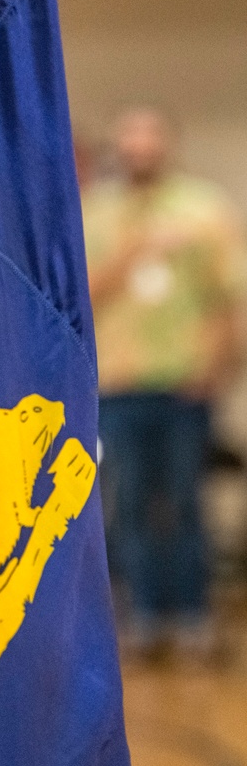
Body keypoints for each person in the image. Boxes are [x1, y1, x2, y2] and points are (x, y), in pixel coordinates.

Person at [83, 107, 246, 656]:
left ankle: (194, 616)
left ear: (167, 145)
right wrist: (135, 251)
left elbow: (226, 298)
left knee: (182, 501)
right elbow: (81, 297)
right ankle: (146, 616)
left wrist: (218, 370)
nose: (140, 149)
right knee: (125, 503)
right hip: (118, 385)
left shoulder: (204, 210)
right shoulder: (95, 213)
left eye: (150, 138)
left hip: (184, 385)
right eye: (130, 139)